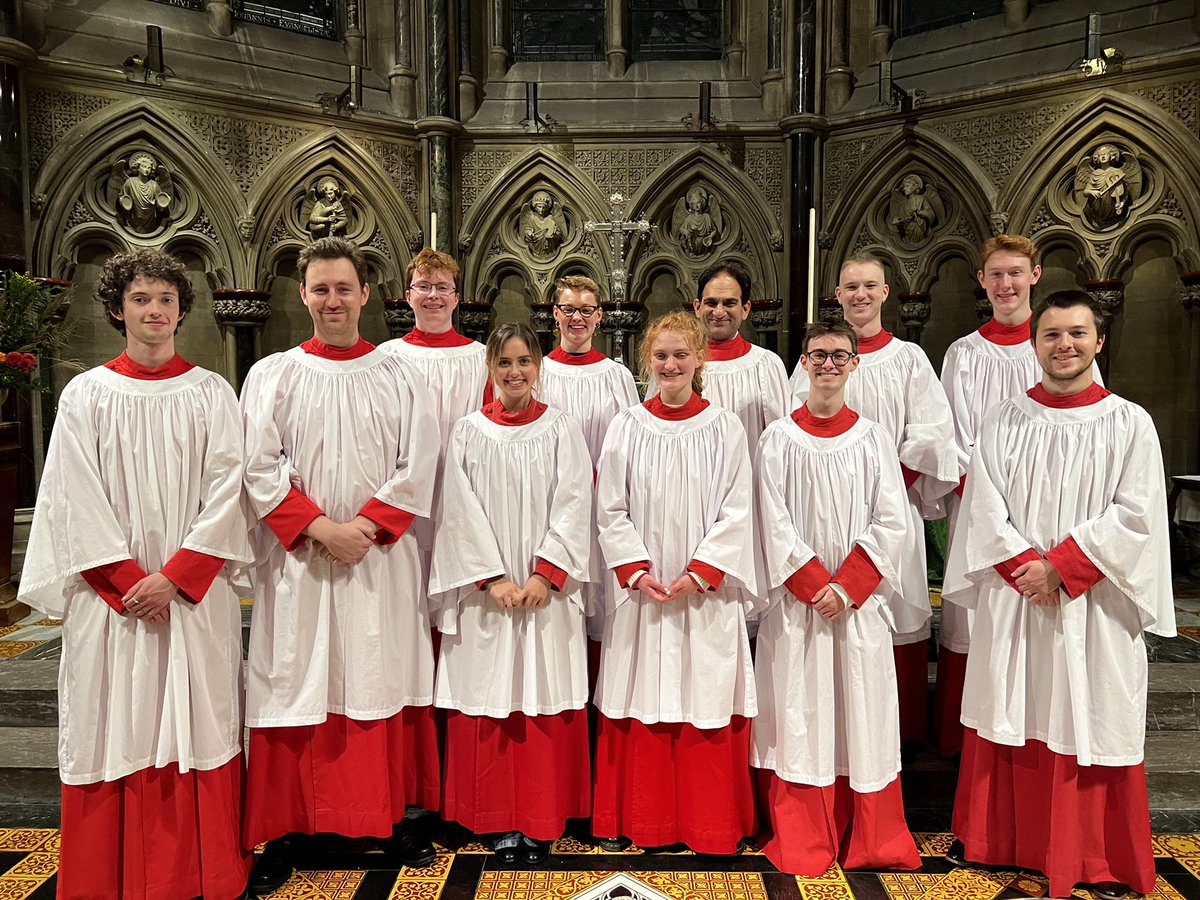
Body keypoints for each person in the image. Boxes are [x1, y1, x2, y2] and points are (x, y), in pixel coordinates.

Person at [19, 249, 254, 899]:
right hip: (114, 605)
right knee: (110, 720)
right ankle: (105, 877)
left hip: (188, 601)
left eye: (165, 300)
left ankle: (201, 870)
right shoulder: (85, 395)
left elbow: (228, 491)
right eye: (141, 299)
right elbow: (72, 496)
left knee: (198, 720)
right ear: (118, 308)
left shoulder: (211, 392)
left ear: (182, 309)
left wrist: (176, 576)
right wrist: (129, 582)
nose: (154, 311)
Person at [942, 290, 1174, 900]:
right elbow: (984, 509)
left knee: (1087, 708)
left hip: (1092, 605)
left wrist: (1063, 568)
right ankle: (1004, 843)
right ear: (1035, 344)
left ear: (1100, 341)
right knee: (1013, 702)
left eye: (1076, 334)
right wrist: (1028, 568)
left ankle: (1092, 855)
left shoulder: (1129, 423)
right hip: (1017, 595)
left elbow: (1139, 516)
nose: (1063, 345)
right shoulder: (1003, 418)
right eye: (1051, 335)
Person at [240, 237, 441, 893]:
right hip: (300, 564)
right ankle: (291, 826)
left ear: (366, 295)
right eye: (320, 289)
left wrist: (366, 527)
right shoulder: (273, 374)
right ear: (303, 295)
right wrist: (321, 527)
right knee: (297, 680)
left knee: (378, 675)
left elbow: (420, 464)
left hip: (378, 563)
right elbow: (257, 465)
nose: (332, 300)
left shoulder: (399, 374)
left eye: (343, 288)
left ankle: (386, 819)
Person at [753, 320, 920, 876]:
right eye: (818, 355)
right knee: (800, 713)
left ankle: (868, 835)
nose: (828, 364)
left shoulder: (873, 437)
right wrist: (809, 583)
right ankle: (804, 834)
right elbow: (769, 520)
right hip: (799, 609)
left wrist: (846, 586)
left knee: (861, 714)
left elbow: (893, 518)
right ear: (802, 363)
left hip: (854, 608)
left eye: (839, 355)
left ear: (855, 364)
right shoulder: (777, 437)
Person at [593, 310, 760, 854]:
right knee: (641, 696)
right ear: (647, 361)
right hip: (643, 595)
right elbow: (609, 508)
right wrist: (636, 571)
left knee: (703, 697)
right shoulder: (627, 426)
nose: (670, 364)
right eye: (660, 355)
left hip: (702, 597)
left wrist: (701, 572)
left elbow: (739, 509)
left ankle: (708, 824)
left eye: (680, 354)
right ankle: (644, 820)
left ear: (698, 359)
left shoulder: (725, 426)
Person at [428, 322, 593, 864]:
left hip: (546, 595)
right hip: (490, 598)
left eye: (525, 362)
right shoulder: (468, 431)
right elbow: (458, 508)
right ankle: (496, 821)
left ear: (538, 367)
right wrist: (491, 577)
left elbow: (575, 500)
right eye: (505, 364)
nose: (515, 373)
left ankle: (542, 819)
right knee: (490, 702)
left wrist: (546, 574)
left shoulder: (562, 428)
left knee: (542, 701)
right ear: (490, 369)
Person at [789, 253, 958, 753]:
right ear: (836, 295)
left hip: (891, 511)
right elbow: (792, 428)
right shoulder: (817, 358)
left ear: (886, 293)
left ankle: (893, 739)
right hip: (820, 513)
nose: (860, 295)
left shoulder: (908, 359)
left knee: (894, 617)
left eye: (870, 286)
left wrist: (883, 482)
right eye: (849, 287)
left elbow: (932, 434)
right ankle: (833, 739)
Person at [937, 234, 1044, 757]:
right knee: (975, 613)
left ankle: (1031, 727)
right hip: (976, 508)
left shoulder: (1053, 345)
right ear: (982, 281)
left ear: (1035, 276)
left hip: (1043, 513)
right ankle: (968, 738)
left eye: (1015, 273)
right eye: (996, 275)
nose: (1006, 284)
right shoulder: (963, 353)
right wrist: (987, 504)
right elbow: (953, 434)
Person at [538, 275, 639, 641]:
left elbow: (633, 443)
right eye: (568, 309)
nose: (576, 318)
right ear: (555, 314)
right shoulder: (540, 372)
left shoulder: (617, 375)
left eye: (585, 310)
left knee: (601, 599)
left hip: (603, 507)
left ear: (599, 316)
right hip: (554, 506)